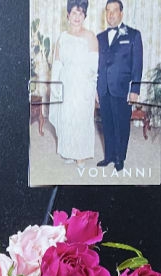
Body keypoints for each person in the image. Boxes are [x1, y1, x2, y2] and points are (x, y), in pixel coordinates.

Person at [48, 0, 99, 167]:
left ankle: (81, 155)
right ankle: (69, 152)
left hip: (83, 84)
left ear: (85, 16)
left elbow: (94, 66)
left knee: (81, 118)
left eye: (81, 13)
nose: (77, 17)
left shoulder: (90, 36)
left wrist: (92, 88)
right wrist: (55, 86)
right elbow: (57, 64)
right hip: (66, 82)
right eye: (74, 13)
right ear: (68, 15)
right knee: (67, 117)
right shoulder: (62, 38)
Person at [96, 0, 143, 171]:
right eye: (108, 11)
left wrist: (135, 90)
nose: (111, 14)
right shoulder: (100, 37)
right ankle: (109, 156)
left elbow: (137, 65)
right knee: (107, 123)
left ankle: (120, 158)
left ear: (121, 13)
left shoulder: (133, 35)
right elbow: (97, 65)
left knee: (121, 124)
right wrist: (96, 88)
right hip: (104, 88)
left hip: (122, 89)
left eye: (114, 10)